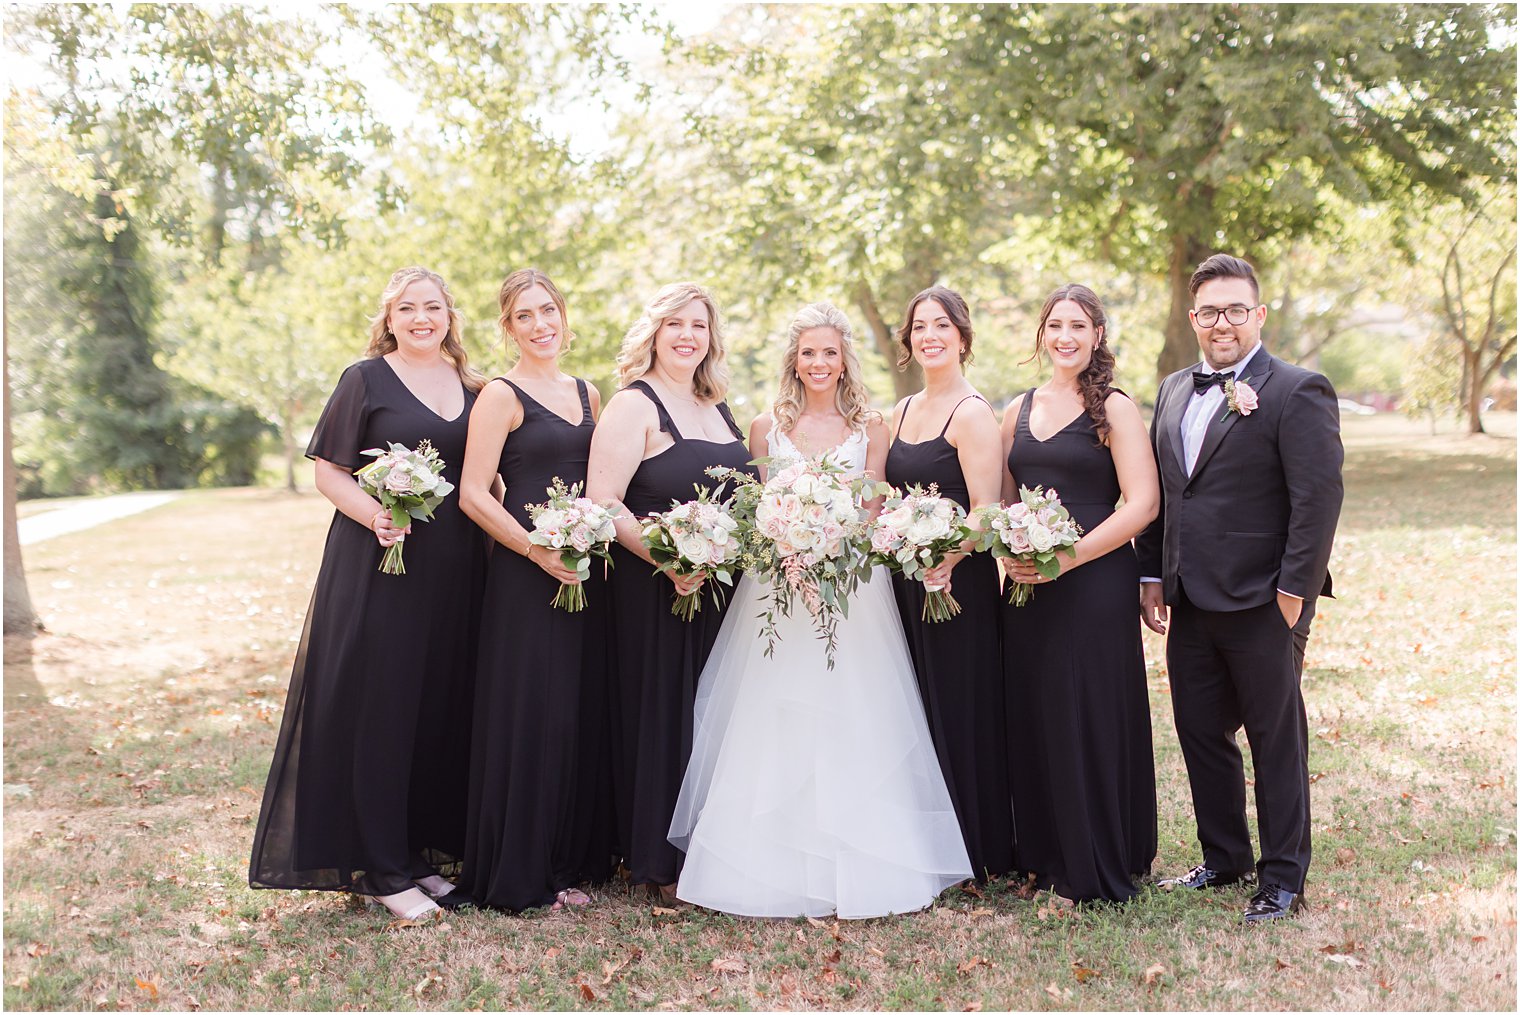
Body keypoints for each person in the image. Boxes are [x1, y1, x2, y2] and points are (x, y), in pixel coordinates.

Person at [668, 303, 973, 918]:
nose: (818, 363)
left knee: (855, 709)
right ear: (793, 360)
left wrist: (830, 545)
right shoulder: (765, 428)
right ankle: (765, 869)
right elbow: (756, 507)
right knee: (772, 710)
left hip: (853, 589)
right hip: (776, 586)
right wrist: (791, 547)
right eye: (808, 352)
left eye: (829, 352)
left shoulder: (871, 426)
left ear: (845, 359)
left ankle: (865, 862)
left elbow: (873, 505)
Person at [249, 266, 488, 921]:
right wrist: (375, 514)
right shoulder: (365, 378)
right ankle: (381, 870)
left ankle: (413, 855)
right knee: (384, 708)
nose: (420, 318)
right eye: (406, 308)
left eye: (432, 307)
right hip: (382, 559)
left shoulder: (473, 385)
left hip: (457, 568)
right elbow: (330, 470)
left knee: (436, 709)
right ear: (388, 318)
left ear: (449, 315)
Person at [1136, 254, 1343, 923]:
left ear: (1257, 315)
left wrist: (1293, 595)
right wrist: (1151, 574)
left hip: (1264, 598)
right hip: (1190, 596)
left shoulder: (1296, 389)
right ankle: (1225, 857)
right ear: (1193, 318)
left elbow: (1317, 501)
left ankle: (1282, 880)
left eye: (1234, 309)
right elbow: (1168, 493)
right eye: (1208, 311)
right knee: (1199, 729)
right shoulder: (1172, 390)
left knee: (1274, 738)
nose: (1221, 322)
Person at [586, 282, 755, 901]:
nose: (687, 336)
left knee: (712, 713)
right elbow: (603, 501)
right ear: (653, 332)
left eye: (699, 326)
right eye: (675, 324)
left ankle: (710, 843)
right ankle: (658, 859)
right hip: (653, 587)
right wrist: (667, 556)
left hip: (718, 589)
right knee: (663, 712)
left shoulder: (719, 406)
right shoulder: (635, 405)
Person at [451, 269, 612, 912]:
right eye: (525, 316)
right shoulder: (500, 395)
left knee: (577, 711)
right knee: (533, 714)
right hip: (526, 574)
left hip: (585, 571)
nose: (541, 324)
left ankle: (570, 859)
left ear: (564, 315)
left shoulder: (589, 392)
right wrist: (533, 549)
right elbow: (470, 494)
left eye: (548, 311)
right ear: (508, 327)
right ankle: (522, 868)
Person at [998, 284, 1159, 904]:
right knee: (1037, 711)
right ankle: (1043, 853)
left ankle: (1091, 863)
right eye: (1055, 325)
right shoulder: (1016, 409)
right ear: (1043, 334)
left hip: (1092, 580)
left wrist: (1069, 556)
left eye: (1078, 326)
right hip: (1029, 587)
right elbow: (1005, 498)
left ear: (1097, 337)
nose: (1065, 336)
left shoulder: (1113, 407)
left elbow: (1142, 504)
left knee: (1085, 712)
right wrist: (1012, 548)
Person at [884, 285, 1015, 881]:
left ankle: (976, 848)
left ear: (962, 336)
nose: (929, 335)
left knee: (961, 707)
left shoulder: (973, 413)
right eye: (918, 327)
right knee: (914, 707)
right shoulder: (900, 413)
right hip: (904, 582)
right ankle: (924, 845)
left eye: (941, 325)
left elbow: (987, 507)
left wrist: (947, 556)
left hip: (957, 586)